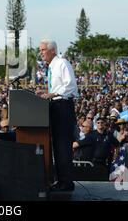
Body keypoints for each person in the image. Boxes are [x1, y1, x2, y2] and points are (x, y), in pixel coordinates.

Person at [38, 39, 78, 191]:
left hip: (63, 107)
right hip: (55, 105)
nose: (41, 53)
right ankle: (60, 181)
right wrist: (46, 93)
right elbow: (58, 87)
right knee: (57, 146)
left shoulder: (62, 63)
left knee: (63, 146)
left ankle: (66, 183)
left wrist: (52, 94)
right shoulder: (52, 67)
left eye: (43, 50)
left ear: (52, 50)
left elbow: (70, 86)